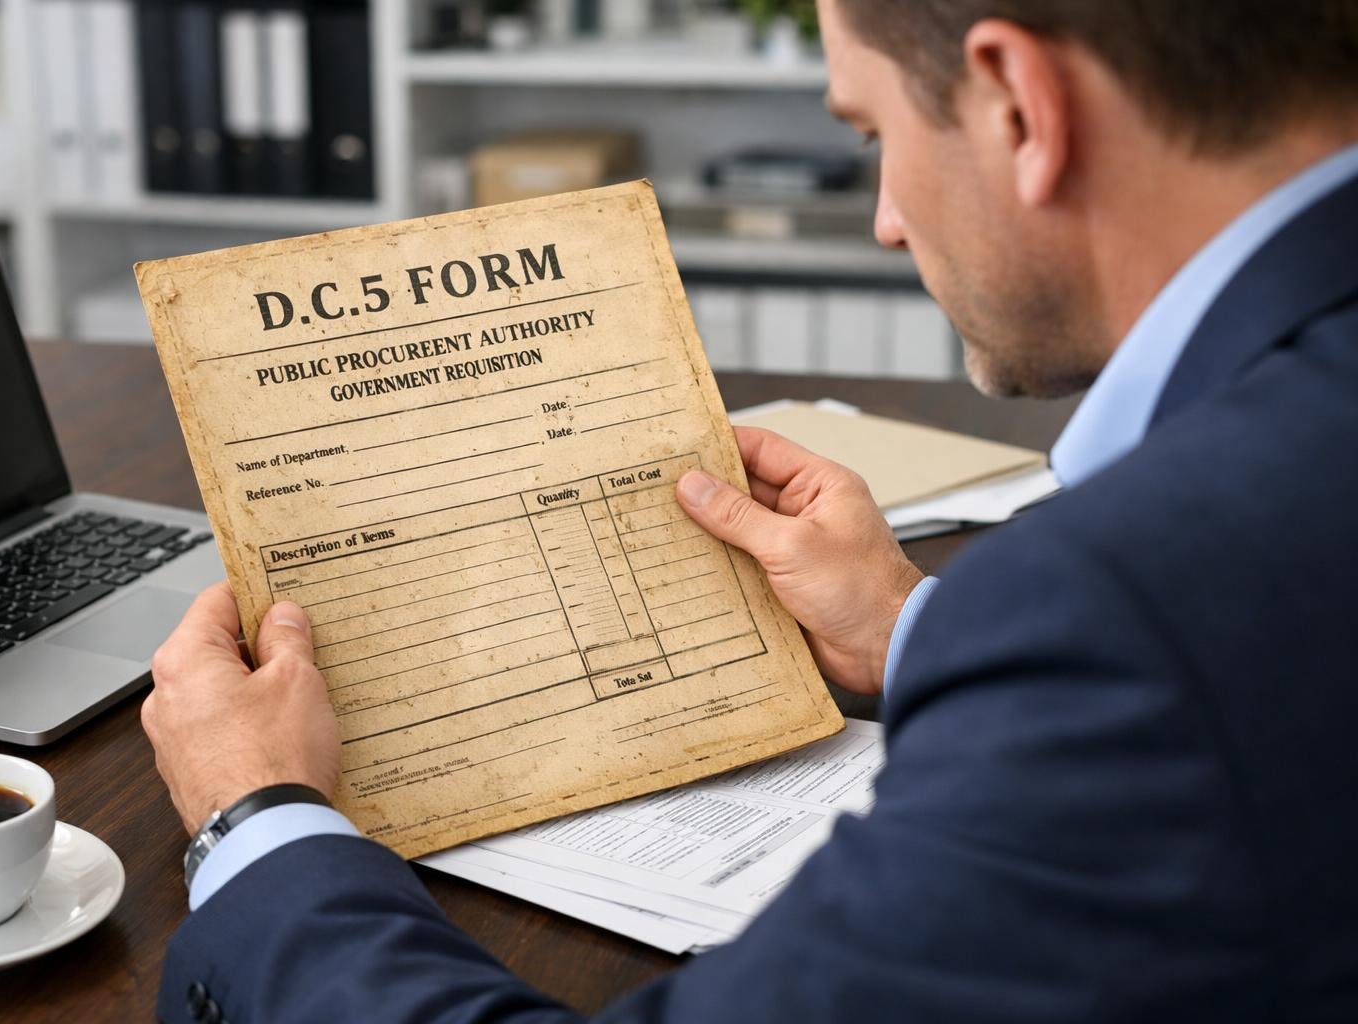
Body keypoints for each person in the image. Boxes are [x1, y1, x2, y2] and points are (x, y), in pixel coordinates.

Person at [142, 1, 1358, 1020]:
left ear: (1016, 106)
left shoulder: (1129, 610)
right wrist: (906, 628)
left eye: (875, 128)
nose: (888, 217)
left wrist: (259, 822)